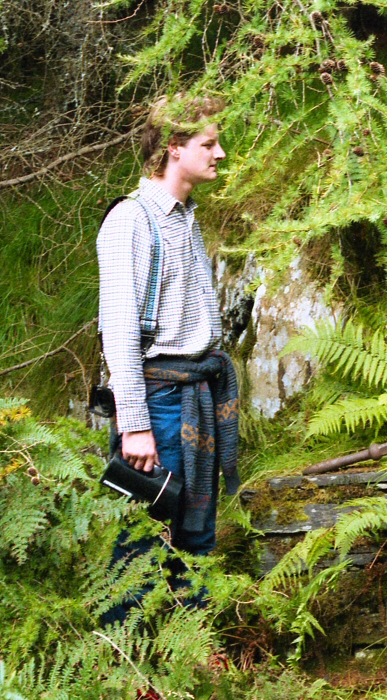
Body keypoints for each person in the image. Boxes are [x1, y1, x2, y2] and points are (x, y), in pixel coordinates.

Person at [97, 94, 240, 626]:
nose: (220, 153)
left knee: (195, 535)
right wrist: (133, 426)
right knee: (143, 543)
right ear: (173, 148)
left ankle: (189, 662)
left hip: (195, 398)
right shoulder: (130, 222)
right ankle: (126, 668)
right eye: (209, 143)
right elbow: (119, 332)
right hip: (157, 404)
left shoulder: (185, 218)